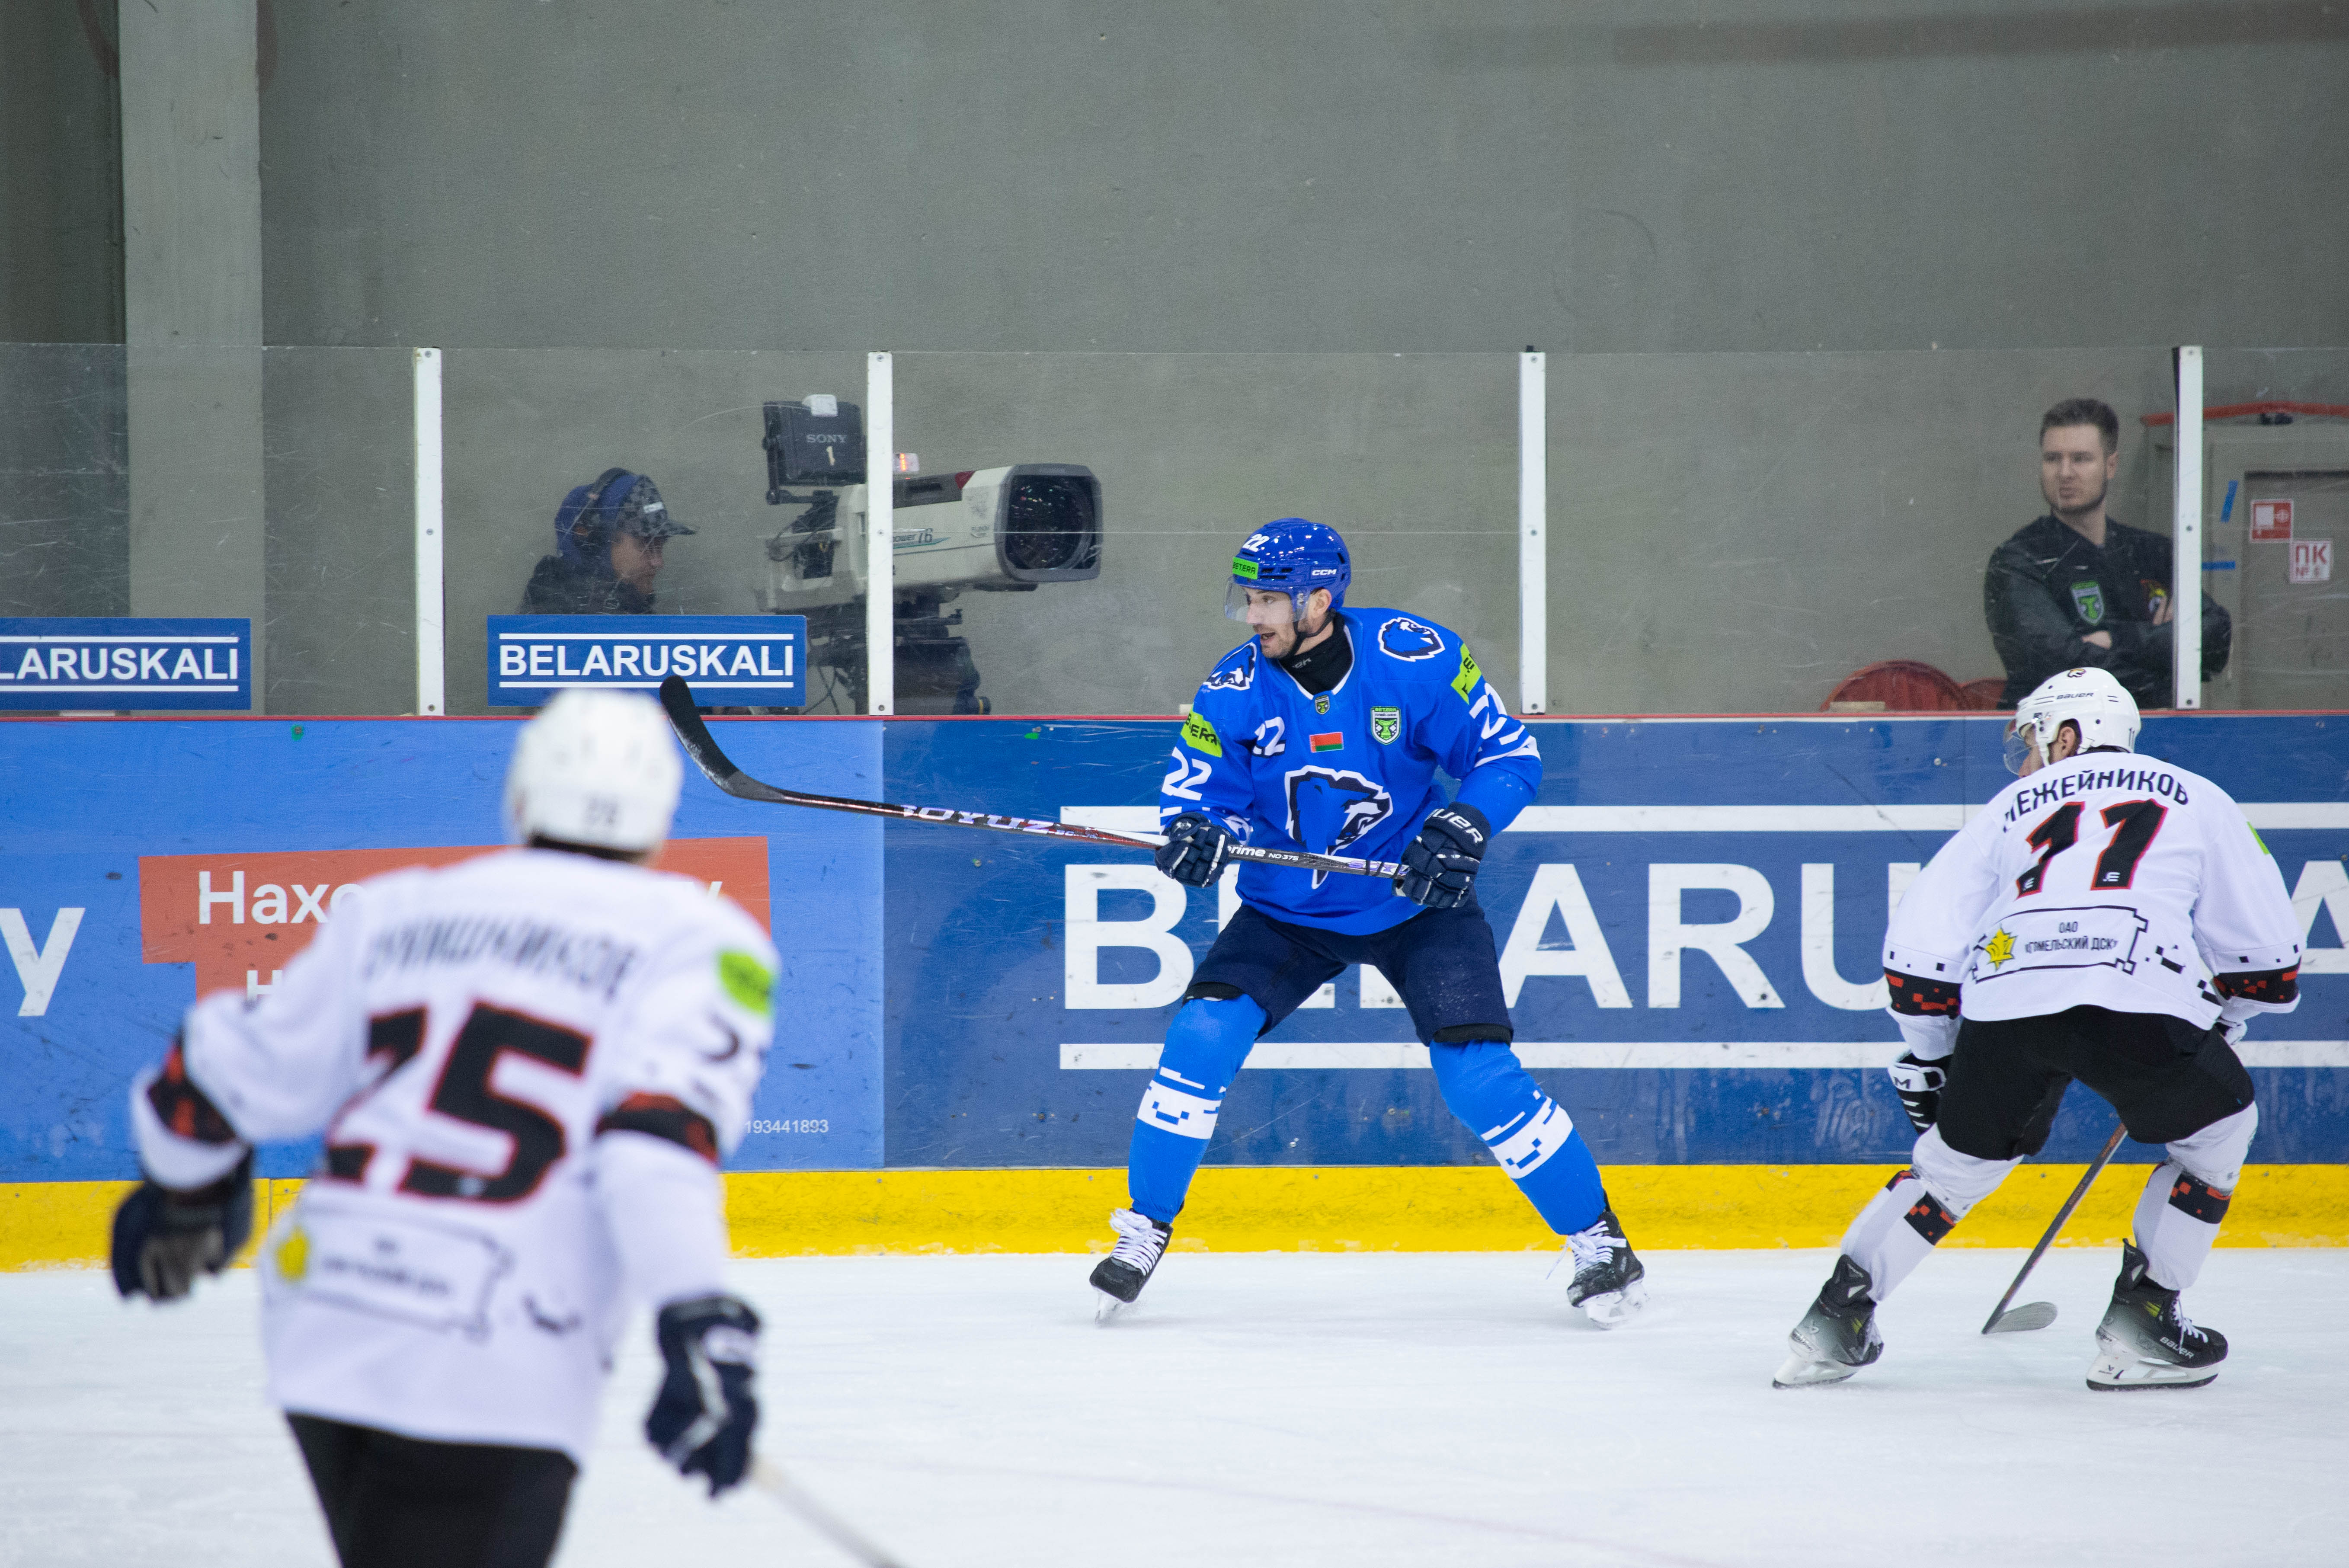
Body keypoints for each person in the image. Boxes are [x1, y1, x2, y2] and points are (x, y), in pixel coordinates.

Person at [110, 689, 778, 1567]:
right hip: (494, 1348)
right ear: (661, 822)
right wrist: (700, 1317)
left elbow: (217, 1073)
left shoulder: (396, 910)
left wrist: (185, 1192)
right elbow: (651, 1149)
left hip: (325, 1309)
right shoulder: (703, 941)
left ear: (519, 799)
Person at [1086, 518, 1648, 1327]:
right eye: (1248, 599)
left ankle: (1599, 1240)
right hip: (1288, 909)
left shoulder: (1413, 659)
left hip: (1415, 903)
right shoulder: (1233, 688)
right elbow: (1202, 799)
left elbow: (1508, 757)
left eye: (1269, 600)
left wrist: (1465, 824)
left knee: (1478, 1079)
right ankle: (1145, 1228)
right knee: (1201, 1036)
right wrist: (1198, 835)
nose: (1253, 616)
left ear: (1319, 599)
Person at [1773, 666, 2301, 1392]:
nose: (2027, 759)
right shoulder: (2199, 798)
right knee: (2217, 1134)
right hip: (2138, 998)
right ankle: (2145, 1318)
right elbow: (2267, 958)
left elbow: (1919, 954)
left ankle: (1833, 1322)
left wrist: (1936, 1054)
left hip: (2005, 1003)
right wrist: (2226, 1015)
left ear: (2070, 733)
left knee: (1951, 1168)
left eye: (2032, 739)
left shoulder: (2007, 807)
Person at [1984, 398, 2230, 710]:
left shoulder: (2151, 551)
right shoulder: (2019, 560)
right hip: (2058, 733)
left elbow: (2216, 639)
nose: (2065, 473)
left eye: (2081, 459)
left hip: (2153, 731)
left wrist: (2118, 639)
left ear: (2110, 466)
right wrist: (2163, 657)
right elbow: (2065, 668)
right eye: (2053, 459)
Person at [518, 468, 694, 614]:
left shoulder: (637, 619)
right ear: (596, 544)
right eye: (645, 545)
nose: (659, 563)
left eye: (660, 546)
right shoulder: (547, 626)